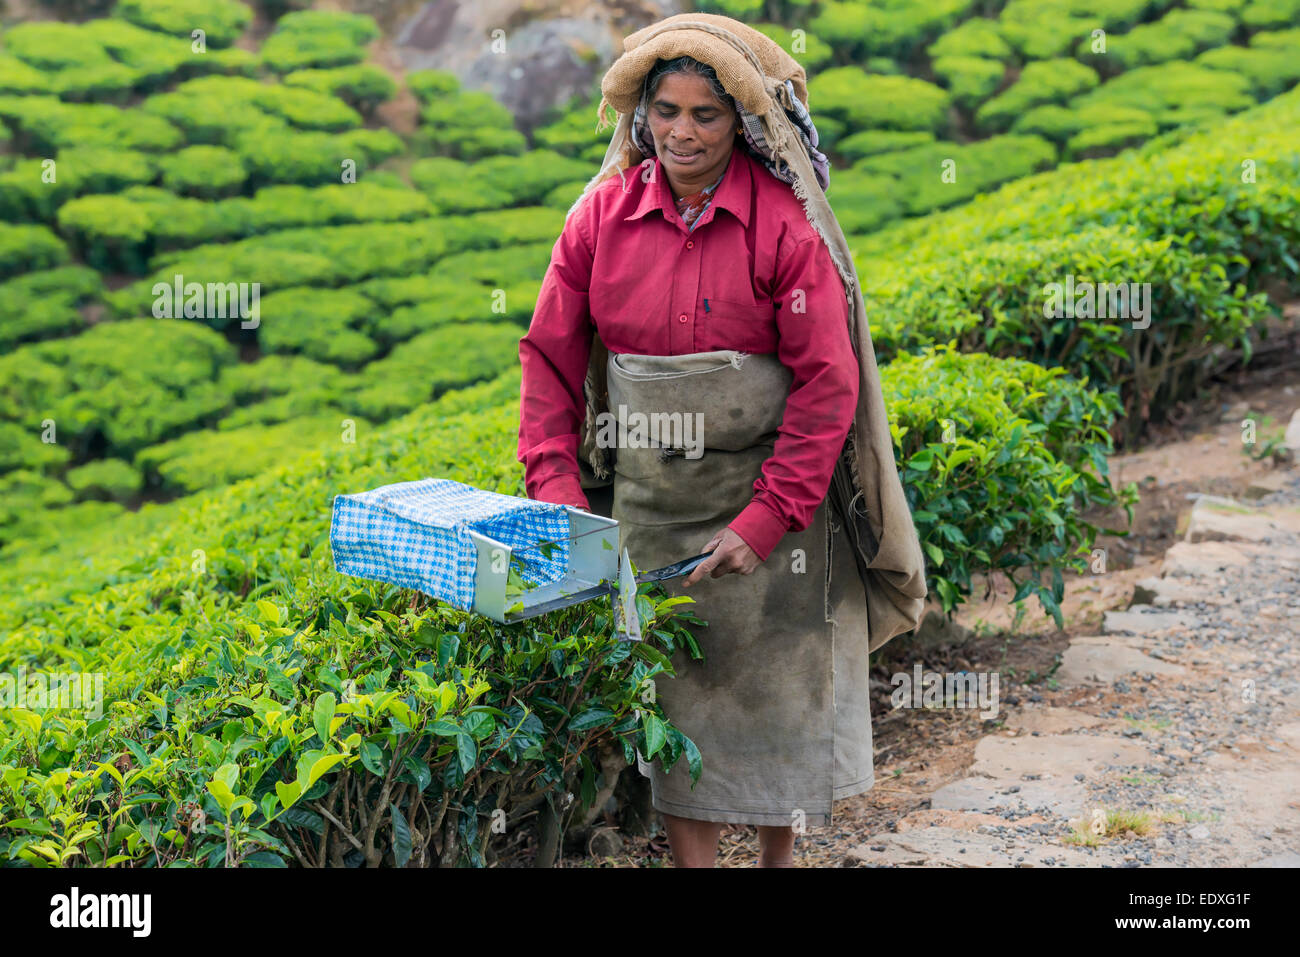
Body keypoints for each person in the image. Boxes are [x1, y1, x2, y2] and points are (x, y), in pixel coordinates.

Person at [517, 14, 927, 867]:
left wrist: (767, 518)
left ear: (740, 121)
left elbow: (827, 383)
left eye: (706, 113)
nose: (682, 132)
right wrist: (558, 496)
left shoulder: (781, 224)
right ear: (641, 117)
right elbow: (549, 361)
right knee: (675, 711)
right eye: (666, 110)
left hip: (771, 505)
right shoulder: (600, 219)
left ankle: (780, 860)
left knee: (780, 704)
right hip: (653, 508)